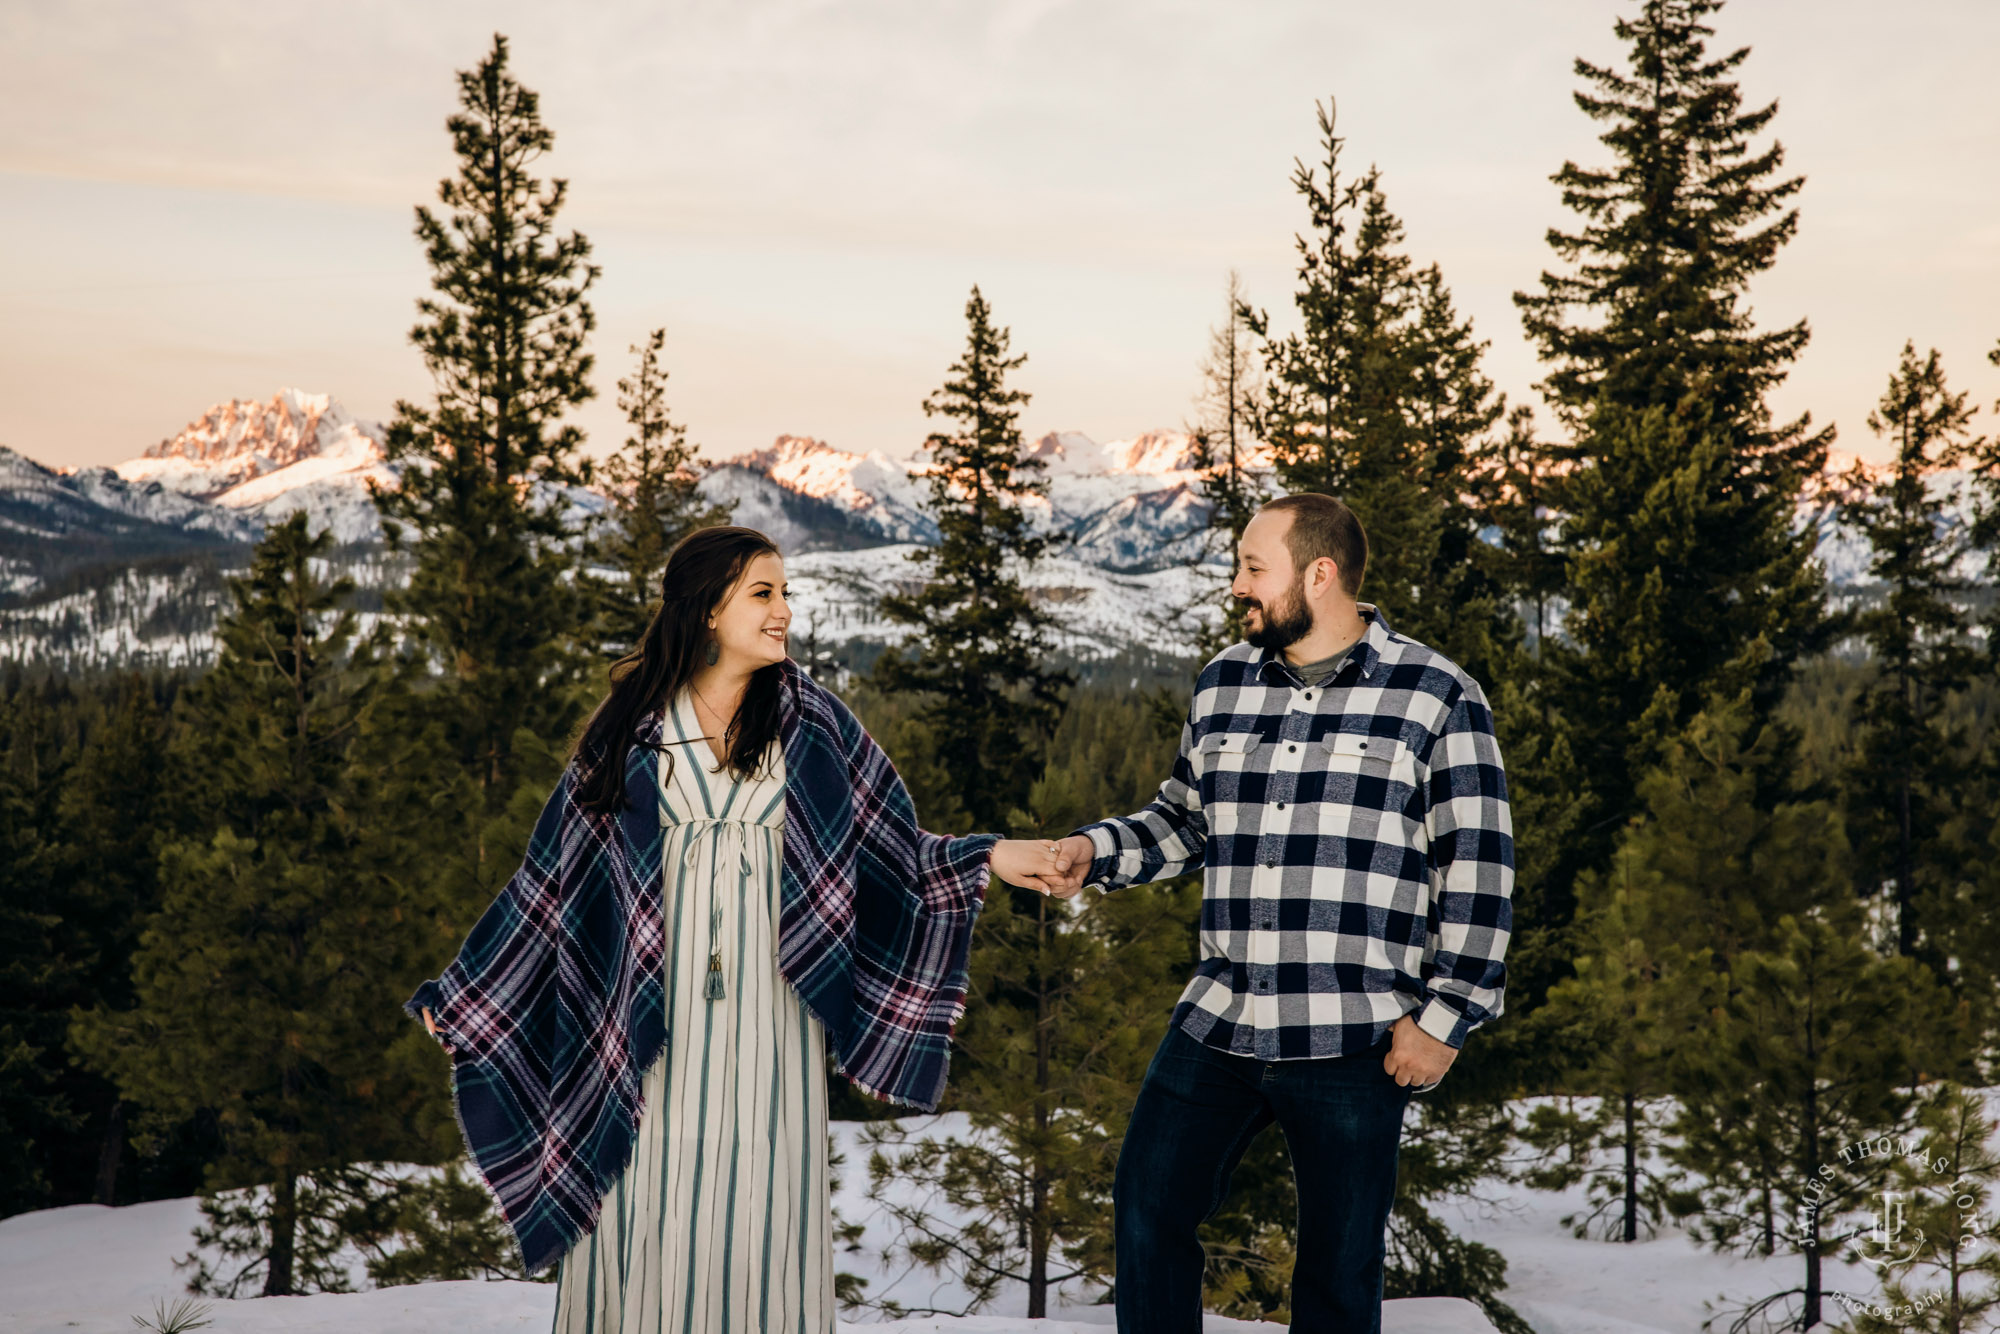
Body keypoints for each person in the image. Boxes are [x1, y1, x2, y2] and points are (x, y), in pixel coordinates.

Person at [406, 525, 1068, 1333]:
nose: (784, 611)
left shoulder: (815, 726)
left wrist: (991, 855)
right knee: (638, 1211)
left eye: (786, 593)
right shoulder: (630, 733)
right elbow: (551, 881)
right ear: (709, 608)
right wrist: (472, 991)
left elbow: (894, 852)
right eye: (764, 593)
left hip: (771, 1028)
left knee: (760, 1218)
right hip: (647, 1027)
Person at [1045, 493, 1515, 1334]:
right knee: (1148, 1209)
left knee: (1338, 1269)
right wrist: (1095, 852)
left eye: (1253, 568)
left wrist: (1446, 1019)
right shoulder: (1225, 681)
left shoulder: (1437, 696)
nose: (1237, 586)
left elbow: (1477, 869)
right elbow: (1186, 820)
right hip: (1220, 1015)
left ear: (1320, 574)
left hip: (1356, 1030)